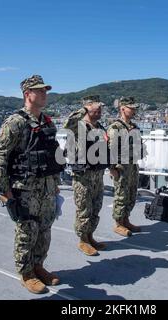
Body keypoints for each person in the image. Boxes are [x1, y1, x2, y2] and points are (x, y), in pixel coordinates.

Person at [0, 74, 64, 294]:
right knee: (27, 231)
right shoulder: (15, 122)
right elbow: (0, 156)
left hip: (47, 188)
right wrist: (4, 191)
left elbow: (52, 154)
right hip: (25, 189)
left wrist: (56, 183)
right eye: (39, 90)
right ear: (27, 94)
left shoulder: (47, 121)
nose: (44, 94)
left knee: (45, 230)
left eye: (45, 90)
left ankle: (38, 265)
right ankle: (26, 273)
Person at [63, 95, 109, 256]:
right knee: (84, 209)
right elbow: (67, 124)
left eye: (100, 108)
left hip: (98, 174)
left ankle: (90, 236)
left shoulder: (100, 127)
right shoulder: (79, 126)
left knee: (96, 208)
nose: (100, 111)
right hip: (83, 176)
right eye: (96, 108)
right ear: (89, 107)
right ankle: (83, 240)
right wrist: (84, 108)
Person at [107, 97, 146, 237]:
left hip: (133, 165)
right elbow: (111, 149)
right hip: (121, 167)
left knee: (131, 194)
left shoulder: (134, 127)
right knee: (121, 195)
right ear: (122, 108)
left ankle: (126, 220)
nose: (134, 110)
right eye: (131, 108)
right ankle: (118, 224)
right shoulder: (115, 127)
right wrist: (112, 168)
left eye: (135, 108)